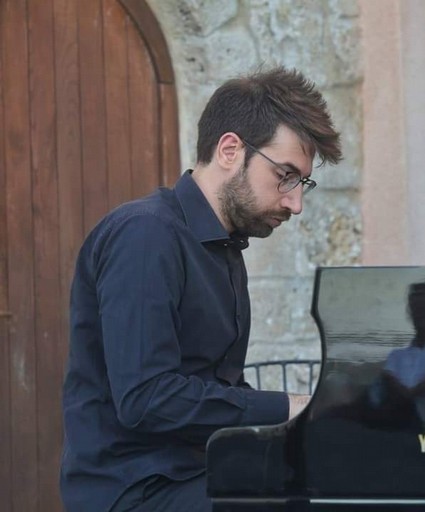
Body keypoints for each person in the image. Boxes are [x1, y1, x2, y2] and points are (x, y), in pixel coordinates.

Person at [60, 66, 342, 512]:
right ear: (230, 150)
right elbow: (146, 398)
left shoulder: (223, 248)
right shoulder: (145, 235)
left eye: (302, 183)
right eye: (286, 176)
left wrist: (311, 424)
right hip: (136, 491)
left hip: (199, 472)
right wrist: (290, 406)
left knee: (344, 480)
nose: (295, 202)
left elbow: (214, 390)